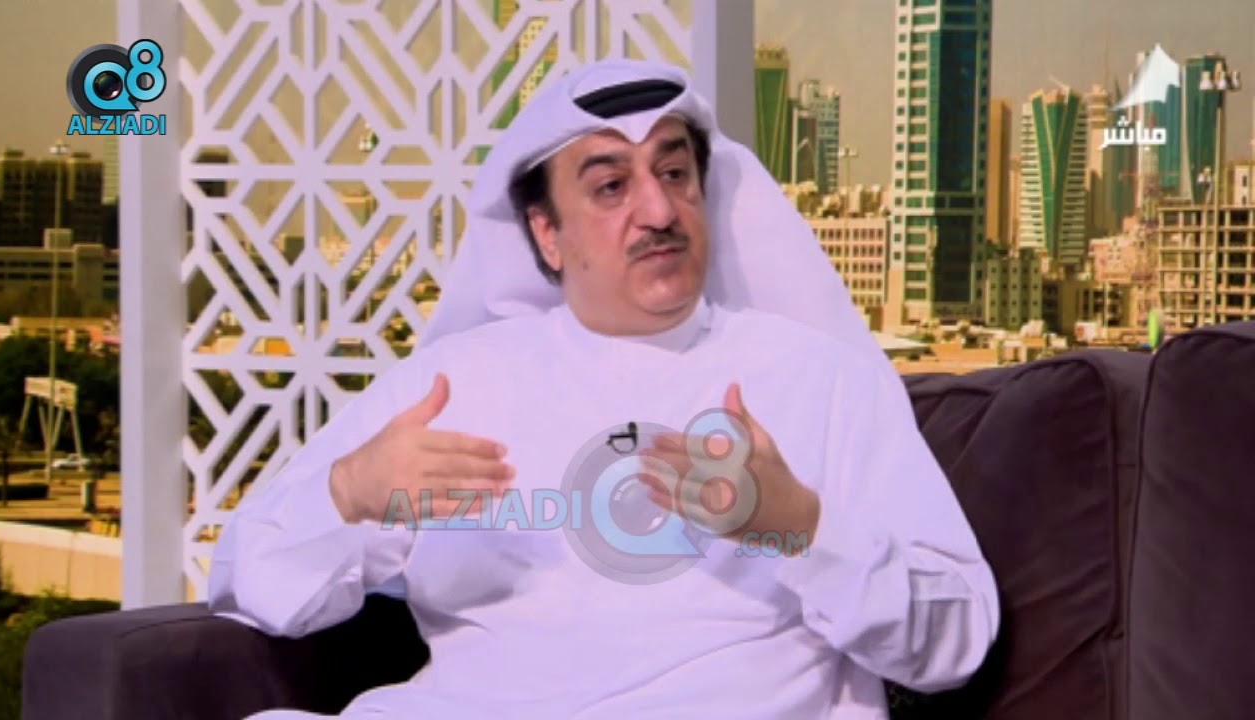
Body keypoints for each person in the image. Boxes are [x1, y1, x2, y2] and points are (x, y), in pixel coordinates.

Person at [208, 58, 999, 719]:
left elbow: (956, 642)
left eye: (675, 174)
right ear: (545, 233)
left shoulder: (822, 380)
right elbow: (250, 585)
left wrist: (796, 528)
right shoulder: (451, 386)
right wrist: (349, 493)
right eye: (611, 186)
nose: (658, 210)